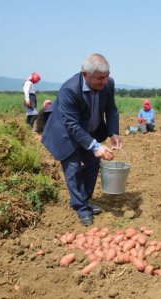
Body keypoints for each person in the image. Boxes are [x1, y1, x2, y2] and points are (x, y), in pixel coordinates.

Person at [41, 53, 123, 226]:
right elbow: (71, 124)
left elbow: (111, 110)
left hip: (87, 131)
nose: (104, 81)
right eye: (100, 78)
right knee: (73, 168)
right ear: (85, 74)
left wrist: (113, 132)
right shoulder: (69, 89)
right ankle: (82, 208)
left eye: (107, 76)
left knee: (93, 163)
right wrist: (95, 146)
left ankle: (82, 200)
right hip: (65, 133)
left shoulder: (108, 84)